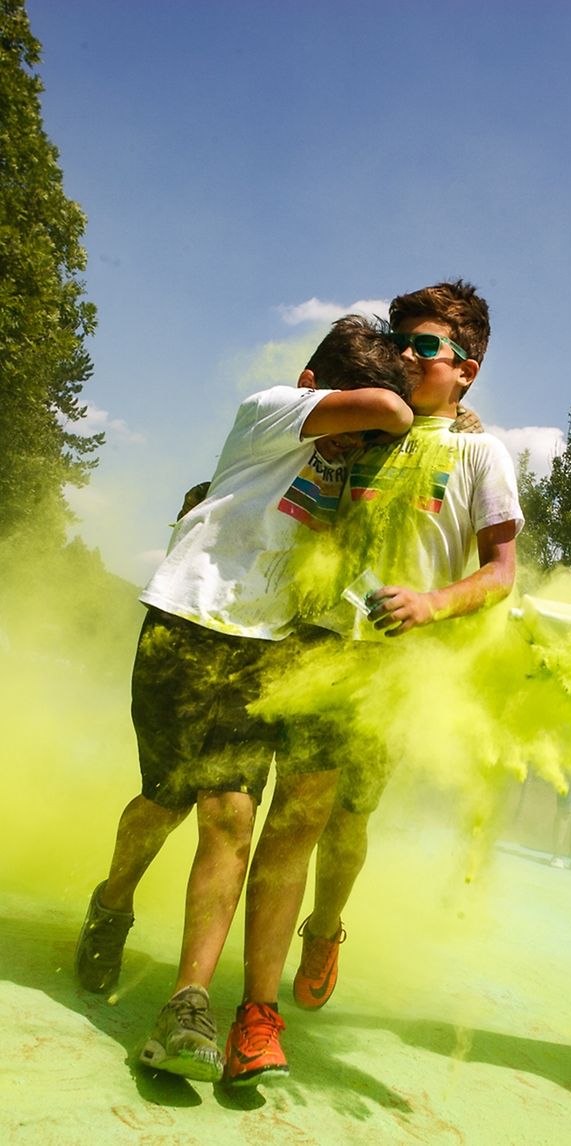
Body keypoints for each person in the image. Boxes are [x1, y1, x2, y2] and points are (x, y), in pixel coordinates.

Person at [75, 315, 414, 1083]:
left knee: (230, 815)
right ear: (311, 387)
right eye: (344, 415)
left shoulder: (355, 459)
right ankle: (113, 900)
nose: (349, 439)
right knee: (161, 802)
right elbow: (394, 413)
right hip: (186, 628)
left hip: (267, 649)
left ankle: (188, 1003)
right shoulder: (272, 409)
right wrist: (393, 404)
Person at [224, 280, 525, 1086]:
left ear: (468, 368)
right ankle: (257, 1014)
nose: (405, 356)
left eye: (425, 346)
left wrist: (433, 602)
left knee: (348, 824)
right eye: (401, 341)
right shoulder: (360, 426)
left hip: (396, 668)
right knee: (294, 820)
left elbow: (501, 574)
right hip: (317, 649)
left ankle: (326, 927)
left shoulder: (480, 453)